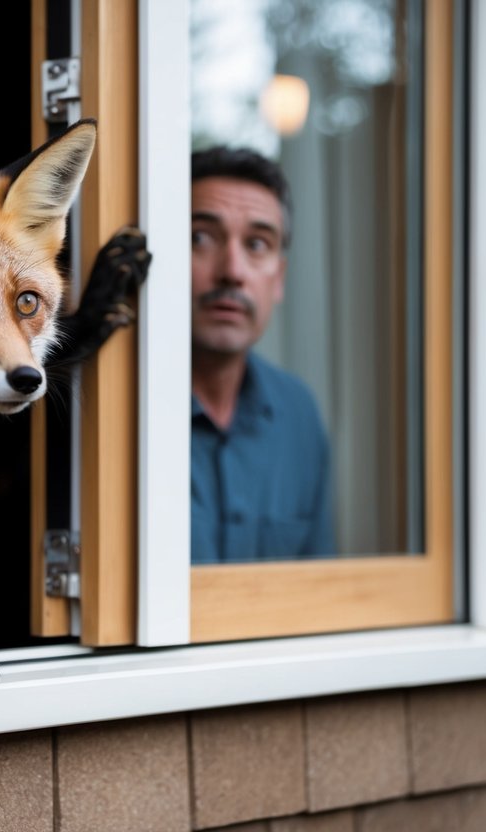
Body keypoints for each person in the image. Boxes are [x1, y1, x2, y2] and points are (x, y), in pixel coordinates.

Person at [189, 147, 334, 564]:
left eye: (257, 244)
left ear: (279, 279)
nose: (232, 270)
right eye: (200, 238)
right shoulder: (111, 411)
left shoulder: (299, 414)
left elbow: (319, 591)